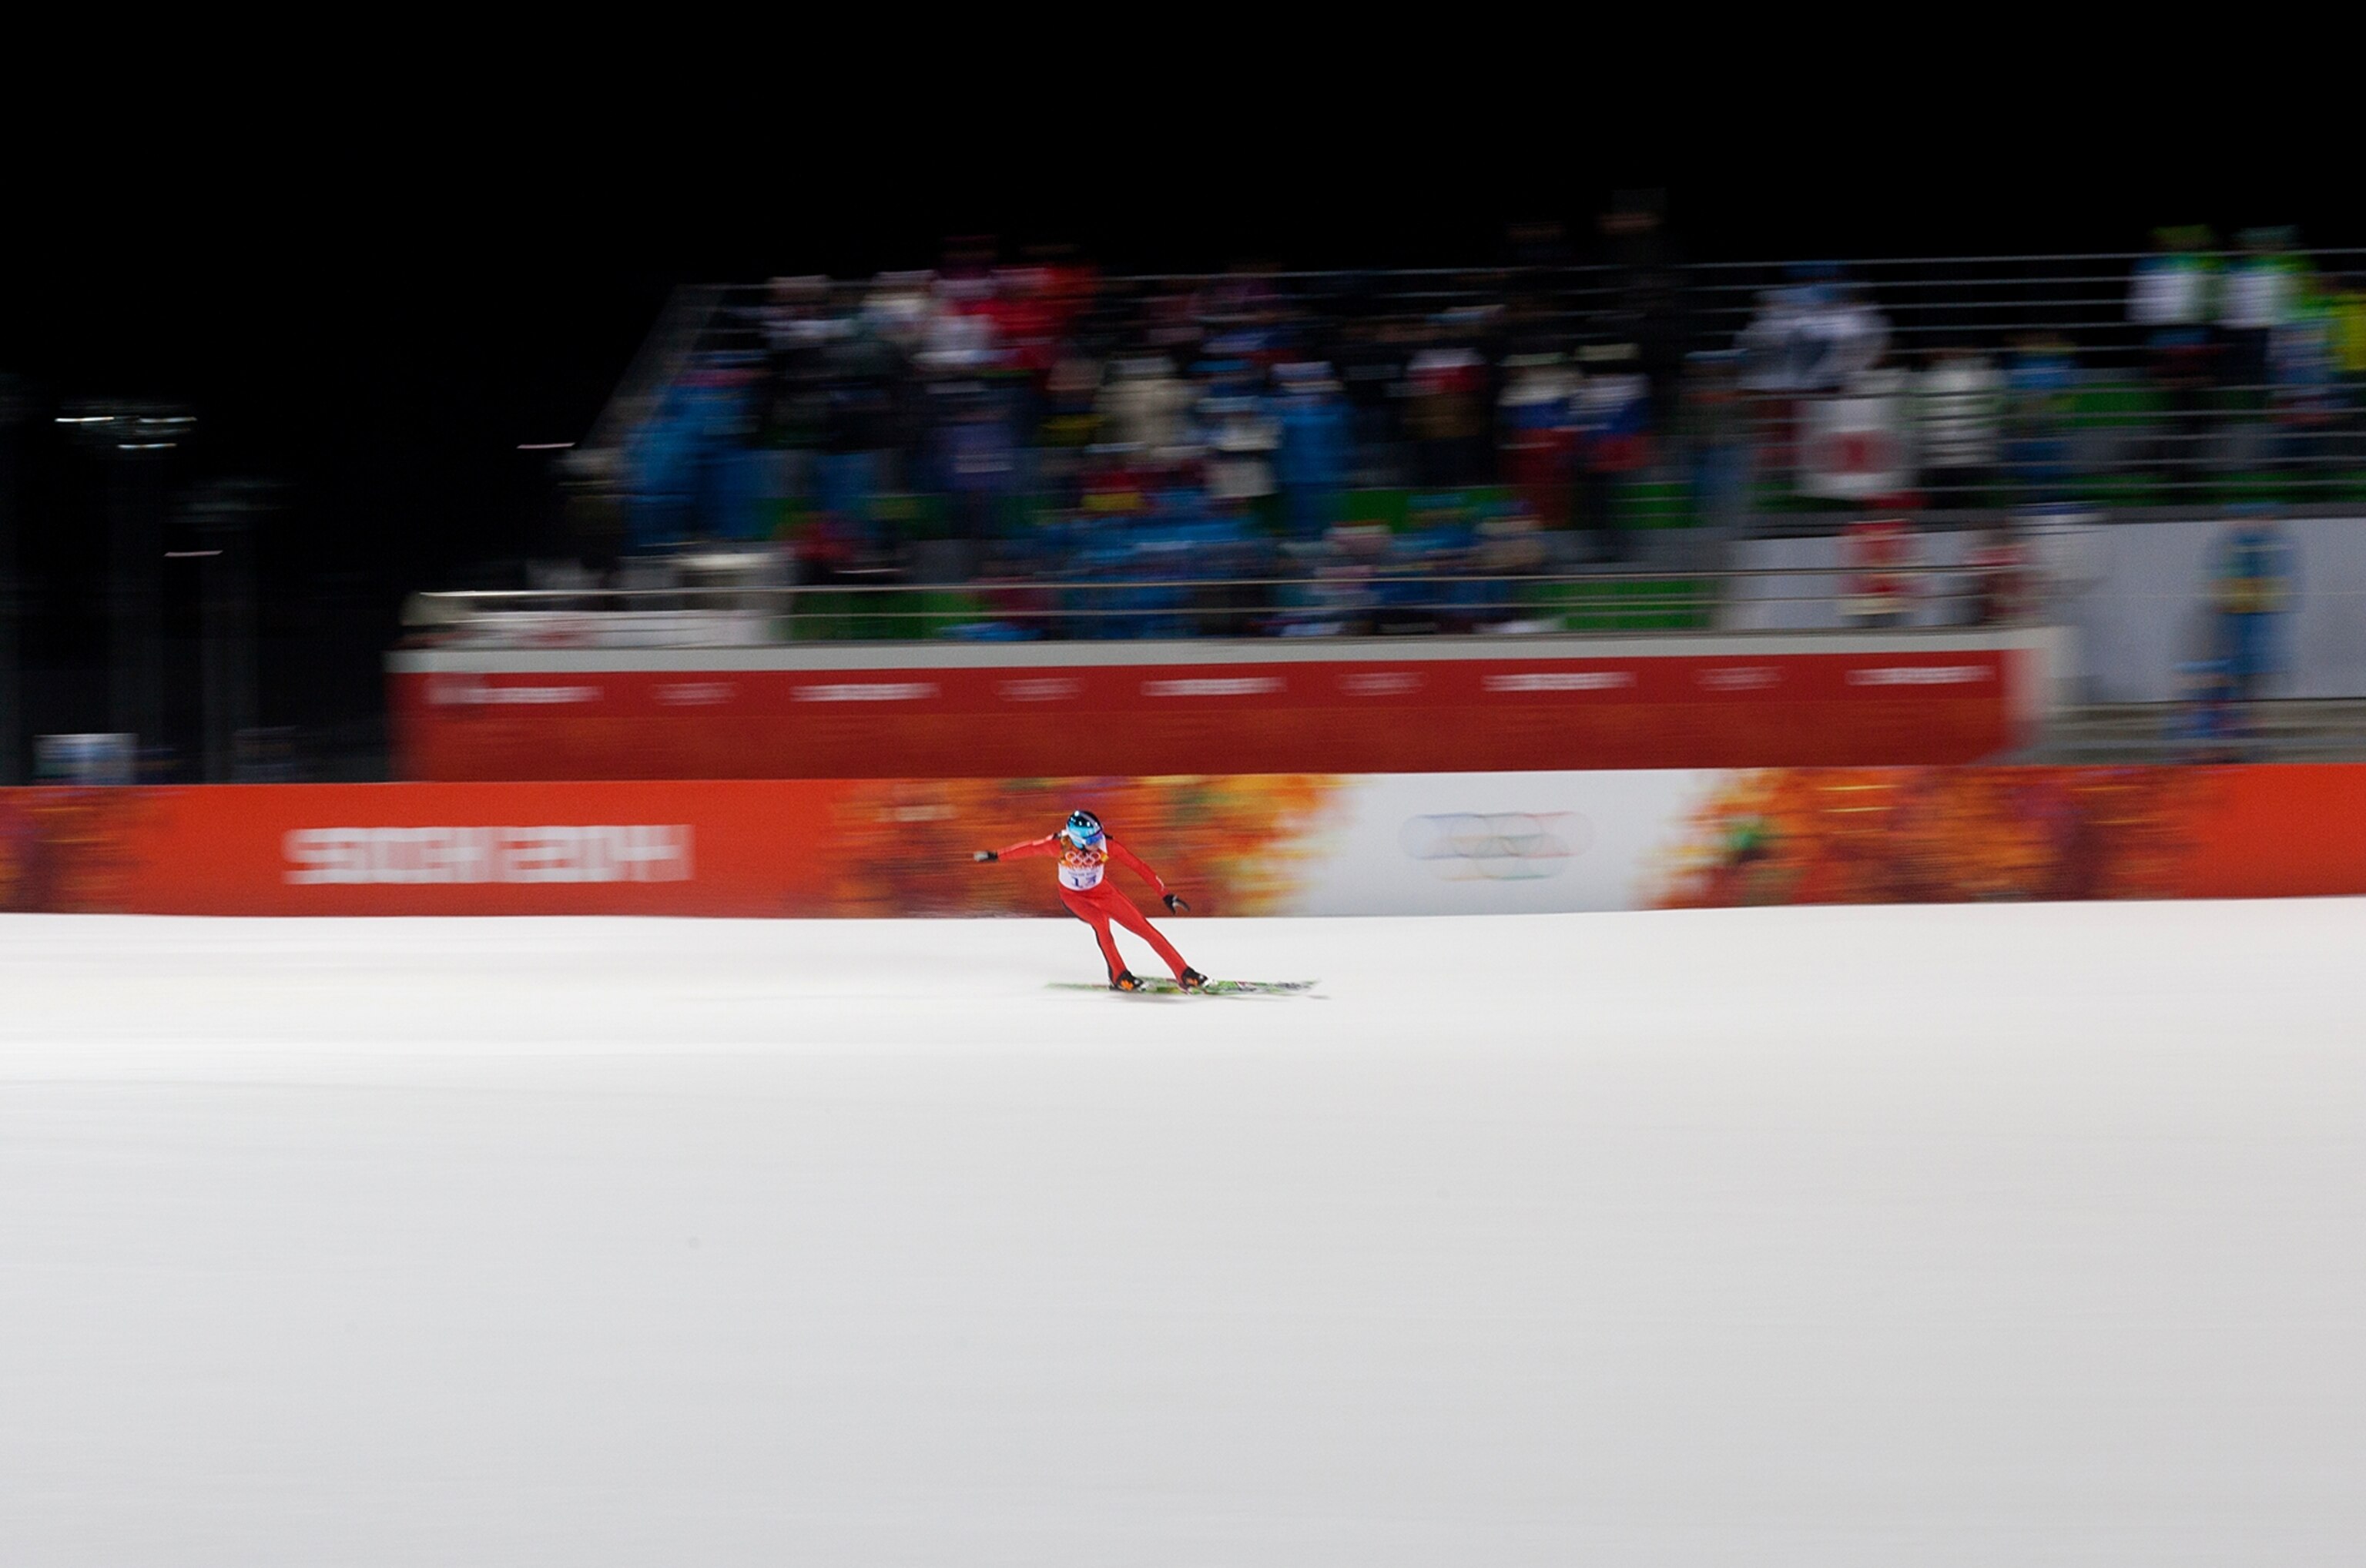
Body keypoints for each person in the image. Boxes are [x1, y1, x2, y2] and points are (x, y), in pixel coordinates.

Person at [974, 809, 1205, 992]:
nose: (1099, 841)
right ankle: (1119, 975)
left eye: (1099, 835)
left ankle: (1184, 973)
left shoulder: (1108, 845)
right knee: (1101, 922)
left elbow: (1138, 866)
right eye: (1093, 838)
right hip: (1073, 897)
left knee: (1146, 929)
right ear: (1076, 839)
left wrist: (1165, 893)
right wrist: (997, 856)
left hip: (1103, 892)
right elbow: (1030, 849)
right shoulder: (1059, 845)